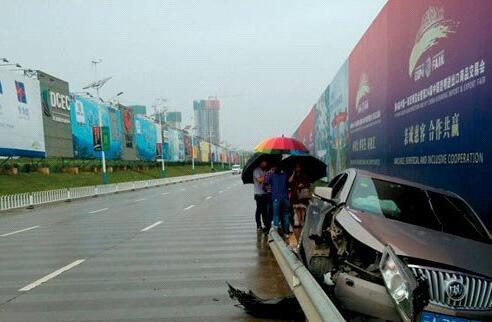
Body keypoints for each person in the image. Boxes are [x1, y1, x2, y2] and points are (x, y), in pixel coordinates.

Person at [270, 165, 291, 235]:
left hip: (276, 199)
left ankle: (276, 233)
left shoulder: (272, 176)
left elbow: (267, 184)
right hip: (285, 198)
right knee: (286, 215)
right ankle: (287, 232)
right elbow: (288, 184)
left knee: (276, 215)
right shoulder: (285, 175)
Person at [289, 163, 310, 227]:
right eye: (296, 167)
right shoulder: (293, 175)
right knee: (297, 208)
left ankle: (303, 220)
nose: (297, 169)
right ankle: (300, 222)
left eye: (299, 167)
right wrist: (293, 173)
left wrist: (302, 185)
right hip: (295, 194)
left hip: (302, 194)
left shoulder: (303, 175)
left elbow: (307, 184)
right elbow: (289, 181)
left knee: (302, 208)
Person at [253, 161, 269, 231]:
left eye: (266, 163)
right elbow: (259, 180)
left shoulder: (265, 170)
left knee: (265, 211)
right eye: (264, 162)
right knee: (259, 210)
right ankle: (258, 225)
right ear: (261, 163)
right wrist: (266, 175)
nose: (265, 164)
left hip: (265, 193)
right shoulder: (256, 170)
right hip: (258, 194)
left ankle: (265, 224)